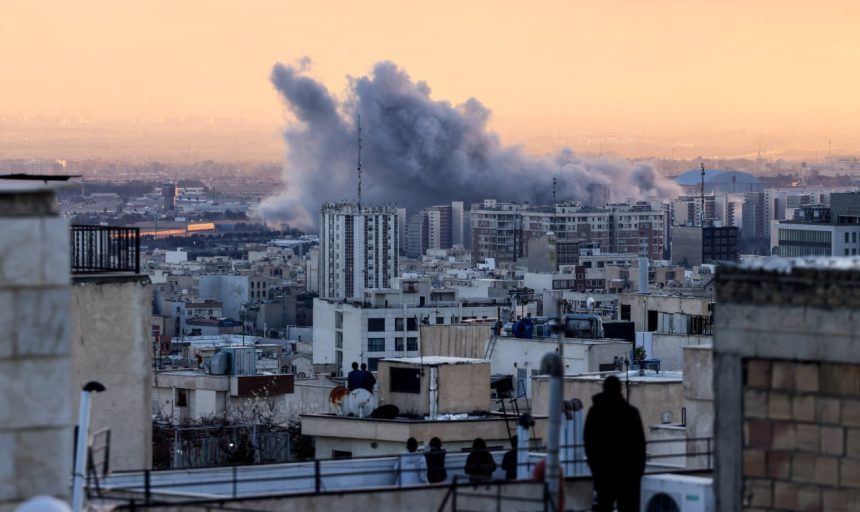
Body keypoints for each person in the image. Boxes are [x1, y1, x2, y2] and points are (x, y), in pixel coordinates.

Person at [584, 375, 646, 512]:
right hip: (628, 474)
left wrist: (595, 466)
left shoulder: (595, 412)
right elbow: (640, 445)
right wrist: (638, 471)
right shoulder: (631, 413)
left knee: (604, 505)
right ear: (620, 389)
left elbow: (588, 442)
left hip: (603, 473)